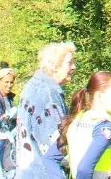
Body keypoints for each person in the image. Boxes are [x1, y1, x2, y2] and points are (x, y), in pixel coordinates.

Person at [41, 71, 111, 179]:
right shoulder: (105, 127)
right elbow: (84, 169)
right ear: (100, 95)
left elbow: (49, 159)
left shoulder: (77, 120)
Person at [17, 42, 78, 179]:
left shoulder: (32, 85)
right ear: (54, 66)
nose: (74, 67)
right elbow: (56, 144)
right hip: (44, 173)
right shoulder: (48, 94)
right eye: (69, 63)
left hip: (26, 171)